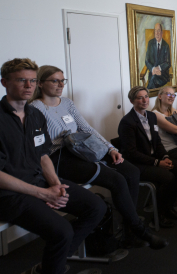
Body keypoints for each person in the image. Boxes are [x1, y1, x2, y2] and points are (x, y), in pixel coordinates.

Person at [30, 65, 167, 250]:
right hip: (60, 157)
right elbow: (40, 146)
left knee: (131, 171)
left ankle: (128, 232)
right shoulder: (35, 108)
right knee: (117, 179)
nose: (60, 84)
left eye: (63, 80)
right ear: (40, 83)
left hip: (82, 148)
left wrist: (110, 148)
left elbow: (86, 129)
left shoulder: (67, 103)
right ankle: (139, 230)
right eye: (55, 81)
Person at [0, 58, 106, 274]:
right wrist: (43, 193)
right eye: (22, 80)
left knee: (96, 207)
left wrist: (57, 186)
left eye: (32, 81)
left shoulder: (35, 115)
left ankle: (49, 266)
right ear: (4, 82)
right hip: (8, 194)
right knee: (62, 231)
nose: (29, 86)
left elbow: (42, 155)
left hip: (38, 181)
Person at [118, 86, 177, 228]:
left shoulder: (151, 116)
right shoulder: (127, 122)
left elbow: (157, 142)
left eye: (146, 96)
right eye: (140, 97)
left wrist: (165, 156)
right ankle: (160, 215)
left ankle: (168, 206)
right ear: (132, 101)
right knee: (167, 177)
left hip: (153, 159)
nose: (145, 100)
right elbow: (131, 153)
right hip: (137, 163)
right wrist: (157, 162)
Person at [145, 22, 171, 89]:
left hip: (162, 75)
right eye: (155, 31)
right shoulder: (150, 43)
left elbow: (168, 63)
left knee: (153, 80)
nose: (157, 33)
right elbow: (147, 61)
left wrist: (159, 68)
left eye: (158, 30)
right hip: (153, 73)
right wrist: (153, 69)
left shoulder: (166, 45)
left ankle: (148, 93)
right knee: (153, 79)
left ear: (162, 33)